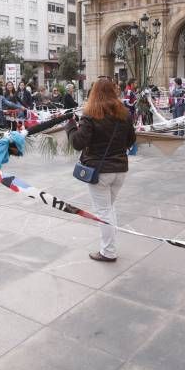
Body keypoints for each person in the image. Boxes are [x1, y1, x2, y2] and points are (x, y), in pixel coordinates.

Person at [66, 78, 136, 262]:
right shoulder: (125, 114)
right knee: (109, 209)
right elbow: (131, 140)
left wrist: (71, 127)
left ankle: (108, 252)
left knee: (104, 212)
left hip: (100, 172)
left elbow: (78, 143)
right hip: (120, 169)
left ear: (95, 93)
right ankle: (109, 247)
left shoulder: (91, 114)